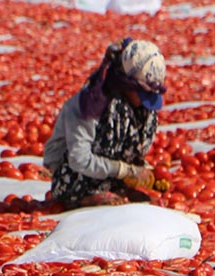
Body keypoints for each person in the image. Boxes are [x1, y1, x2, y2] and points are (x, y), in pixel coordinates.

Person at [42, 38, 167, 210]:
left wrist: (146, 172)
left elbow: (130, 151)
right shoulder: (91, 104)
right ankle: (82, 197)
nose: (146, 102)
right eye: (142, 93)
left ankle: (118, 189)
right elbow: (79, 159)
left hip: (111, 174)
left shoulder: (140, 110)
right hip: (73, 175)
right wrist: (125, 171)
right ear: (126, 84)